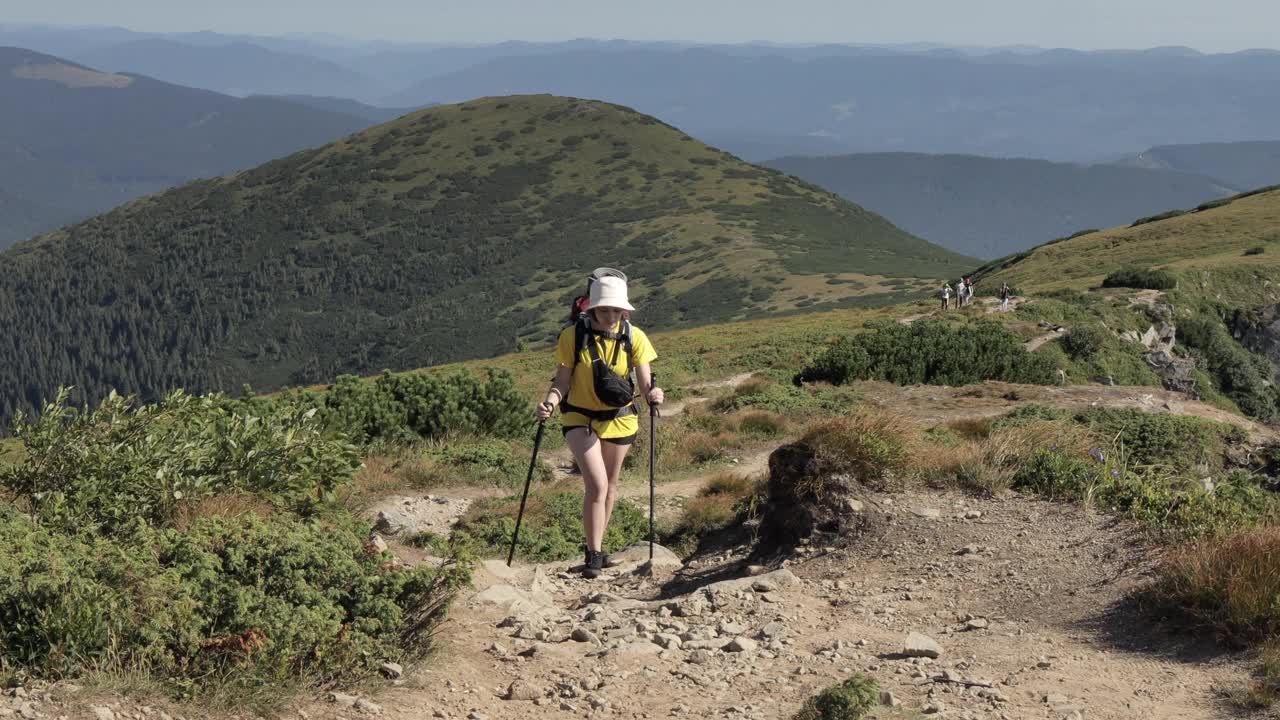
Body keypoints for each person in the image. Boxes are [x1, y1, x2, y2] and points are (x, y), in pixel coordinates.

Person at [536, 274, 663, 579]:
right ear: (592, 308)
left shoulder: (635, 337)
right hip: (578, 416)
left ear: (624, 312)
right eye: (604, 310)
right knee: (597, 484)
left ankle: (599, 548)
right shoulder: (571, 337)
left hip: (620, 417)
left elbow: (646, 382)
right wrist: (550, 402)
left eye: (616, 311)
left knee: (611, 486)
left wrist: (653, 394)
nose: (610, 317)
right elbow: (562, 381)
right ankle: (593, 554)